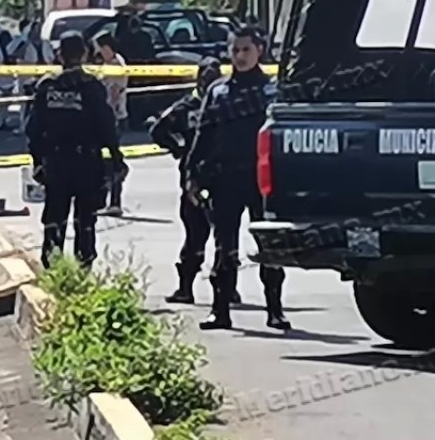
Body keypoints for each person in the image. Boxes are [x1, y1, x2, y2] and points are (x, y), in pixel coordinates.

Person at [185, 27, 290, 330]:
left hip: (261, 180)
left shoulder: (272, 90)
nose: (240, 56)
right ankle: (220, 310)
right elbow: (203, 135)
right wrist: (193, 175)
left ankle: (275, 309)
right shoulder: (218, 91)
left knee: (269, 246)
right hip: (225, 180)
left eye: (246, 49)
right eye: (235, 50)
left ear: (259, 50)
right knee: (223, 246)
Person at [26, 31, 126, 269]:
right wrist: (116, 157)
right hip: (86, 163)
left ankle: (54, 272)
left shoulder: (48, 86)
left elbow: (33, 129)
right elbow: (106, 126)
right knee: (85, 222)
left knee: (55, 221)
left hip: (57, 163)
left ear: (60, 55)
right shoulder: (92, 87)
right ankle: (83, 273)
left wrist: (38, 162)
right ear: (84, 54)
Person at [150, 57, 243, 305]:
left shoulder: (229, 103)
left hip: (225, 178)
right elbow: (158, 130)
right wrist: (178, 147)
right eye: (205, 76)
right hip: (195, 178)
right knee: (195, 235)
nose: (208, 81)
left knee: (227, 238)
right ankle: (185, 288)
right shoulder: (186, 106)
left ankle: (228, 289)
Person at [95, 32, 129, 215]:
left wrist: (111, 116)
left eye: (101, 48)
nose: (99, 52)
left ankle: (115, 201)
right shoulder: (110, 64)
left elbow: (115, 92)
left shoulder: (116, 65)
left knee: (111, 161)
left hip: (113, 117)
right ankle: (109, 199)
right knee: (106, 160)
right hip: (109, 117)